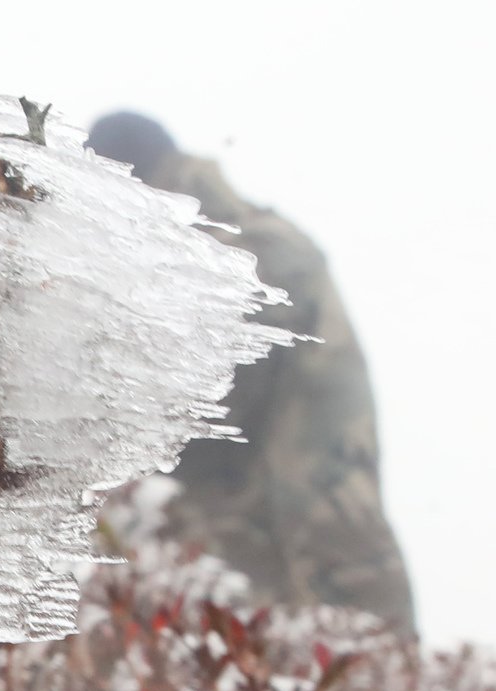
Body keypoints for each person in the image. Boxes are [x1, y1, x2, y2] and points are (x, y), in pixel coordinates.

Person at [88, 112, 415, 629]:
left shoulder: (241, 246)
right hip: (286, 540)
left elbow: (212, 397)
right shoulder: (226, 239)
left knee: (348, 679)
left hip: (299, 539)